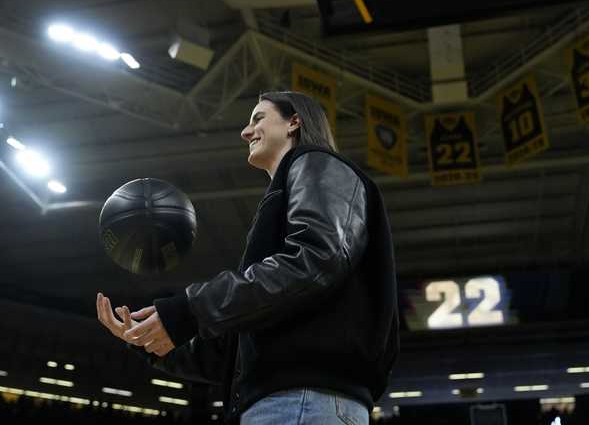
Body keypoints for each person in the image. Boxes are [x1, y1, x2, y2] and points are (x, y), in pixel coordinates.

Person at [96, 90, 400, 425]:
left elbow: (317, 259)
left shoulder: (317, 162)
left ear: (294, 122)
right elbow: (230, 354)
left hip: (303, 399)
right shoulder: (283, 201)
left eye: (258, 118)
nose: (245, 131)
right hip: (287, 402)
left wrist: (190, 309)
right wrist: (151, 339)